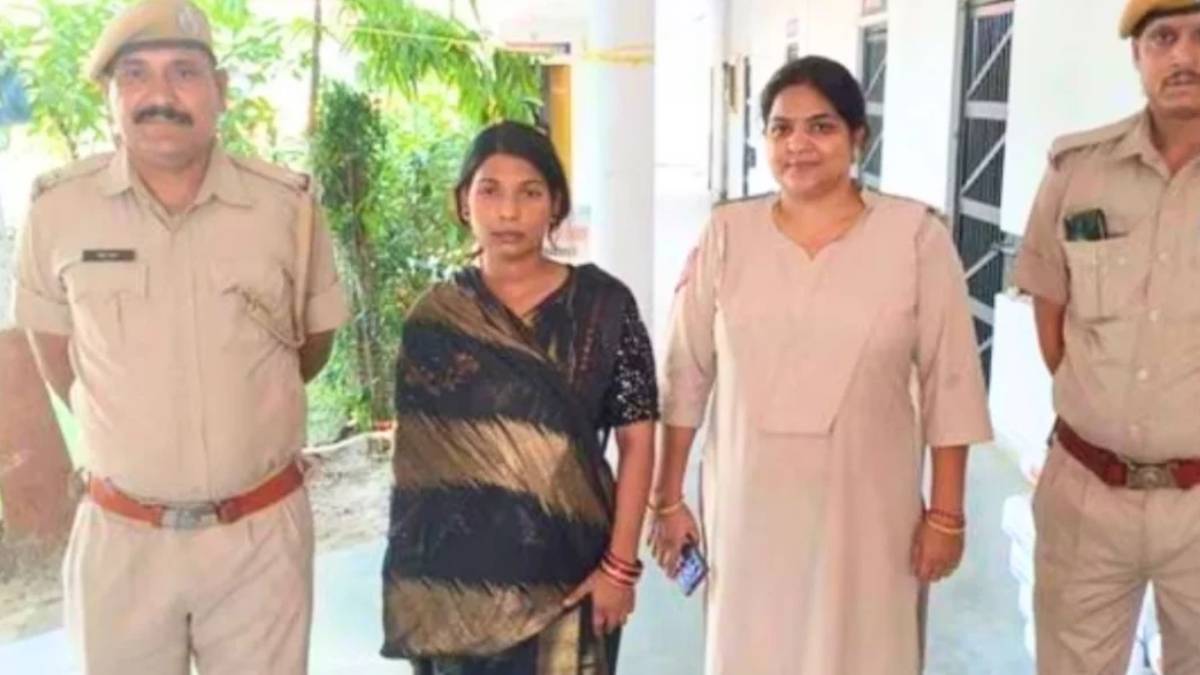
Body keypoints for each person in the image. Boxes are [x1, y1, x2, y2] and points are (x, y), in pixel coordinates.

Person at [9, 1, 348, 672]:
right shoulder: (58, 210)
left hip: (260, 539)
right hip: (122, 541)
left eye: (184, 72)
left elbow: (310, 345)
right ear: (111, 97)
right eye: (135, 74)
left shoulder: (287, 207)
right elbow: (57, 353)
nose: (159, 94)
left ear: (220, 91)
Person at [649, 55, 993, 675]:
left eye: (821, 127)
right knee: (753, 647)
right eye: (781, 128)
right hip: (750, 503)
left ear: (858, 137)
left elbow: (951, 379)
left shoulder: (915, 237)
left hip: (867, 504)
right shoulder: (727, 233)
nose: (798, 144)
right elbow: (685, 373)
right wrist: (667, 497)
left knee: (863, 646)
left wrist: (946, 513)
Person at [380, 120, 658, 674]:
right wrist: (421, 592)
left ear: (555, 204)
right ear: (463, 202)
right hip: (457, 592)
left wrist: (620, 567)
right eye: (490, 190)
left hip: (573, 576)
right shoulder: (435, 320)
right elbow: (417, 473)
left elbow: (638, 440)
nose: (508, 212)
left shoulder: (603, 307)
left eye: (529, 192)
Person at [1013, 2, 1200, 672]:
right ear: (1137, 56)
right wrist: (1101, 417)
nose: (1184, 56)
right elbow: (1051, 317)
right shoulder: (1078, 170)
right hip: (1088, 493)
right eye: (1163, 37)